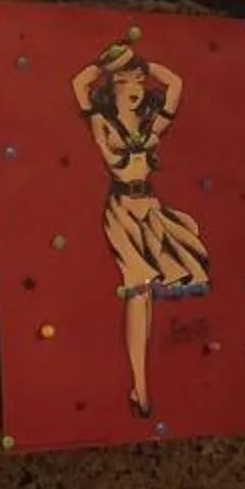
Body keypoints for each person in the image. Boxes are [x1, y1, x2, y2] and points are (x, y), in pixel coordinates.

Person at [72, 35, 210, 418]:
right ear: (110, 88)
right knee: (137, 293)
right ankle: (141, 385)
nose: (133, 88)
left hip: (150, 208)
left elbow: (176, 83)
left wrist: (143, 65)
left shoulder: (152, 126)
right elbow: (77, 83)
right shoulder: (102, 123)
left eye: (137, 81)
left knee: (153, 288)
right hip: (121, 211)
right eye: (123, 82)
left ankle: (142, 385)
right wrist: (110, 63)